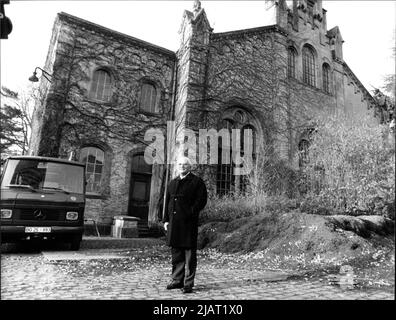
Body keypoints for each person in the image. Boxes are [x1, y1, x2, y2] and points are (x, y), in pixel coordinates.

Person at [162, 156, 207, 294]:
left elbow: (201, 201)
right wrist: (165, 220)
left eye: (185, 164)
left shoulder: (197, 182)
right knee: (176, 254)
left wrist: (190, 213)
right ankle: (176, 280)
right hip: (174, 224)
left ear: (190, 167)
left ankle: (188, 283)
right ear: (177, 166)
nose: (182, 166)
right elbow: (167, 202)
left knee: (189, 255)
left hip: (188, 223)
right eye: (180, 164)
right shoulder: (172, 182)